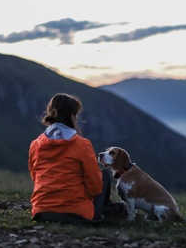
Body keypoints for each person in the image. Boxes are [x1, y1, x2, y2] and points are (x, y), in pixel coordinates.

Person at [28, 93, 125, 224]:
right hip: (76, 212)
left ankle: (110, 208)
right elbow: (95, 187)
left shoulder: (35, 145)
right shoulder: (82, 144)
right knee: (104, 176)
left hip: (41, 210)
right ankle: (114, 208)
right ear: (73, 116)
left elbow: (35, 177)